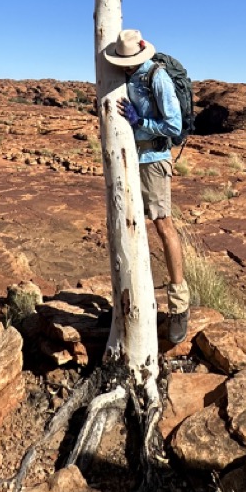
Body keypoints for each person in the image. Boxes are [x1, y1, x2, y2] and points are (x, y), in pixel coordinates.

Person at [104, 28, 190, 344]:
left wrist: (141, 122)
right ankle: (134, 299)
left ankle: (179, 306)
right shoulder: (126, 77)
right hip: (128, 159)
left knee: (163, 226)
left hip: (154, 159)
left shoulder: (157, 77)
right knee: (130, 223)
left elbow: (174, 125)